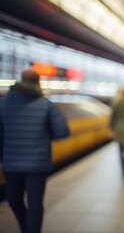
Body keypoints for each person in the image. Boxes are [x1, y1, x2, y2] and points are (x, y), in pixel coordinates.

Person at [0, 68, 70, 233]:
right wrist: (44, 134)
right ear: (38, 83)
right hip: (38, 164)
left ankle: (25, 227)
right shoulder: (46, 105)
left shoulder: (2, 104)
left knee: (13, 199)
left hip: (11, 163)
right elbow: (63, 132)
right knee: (35, 204)